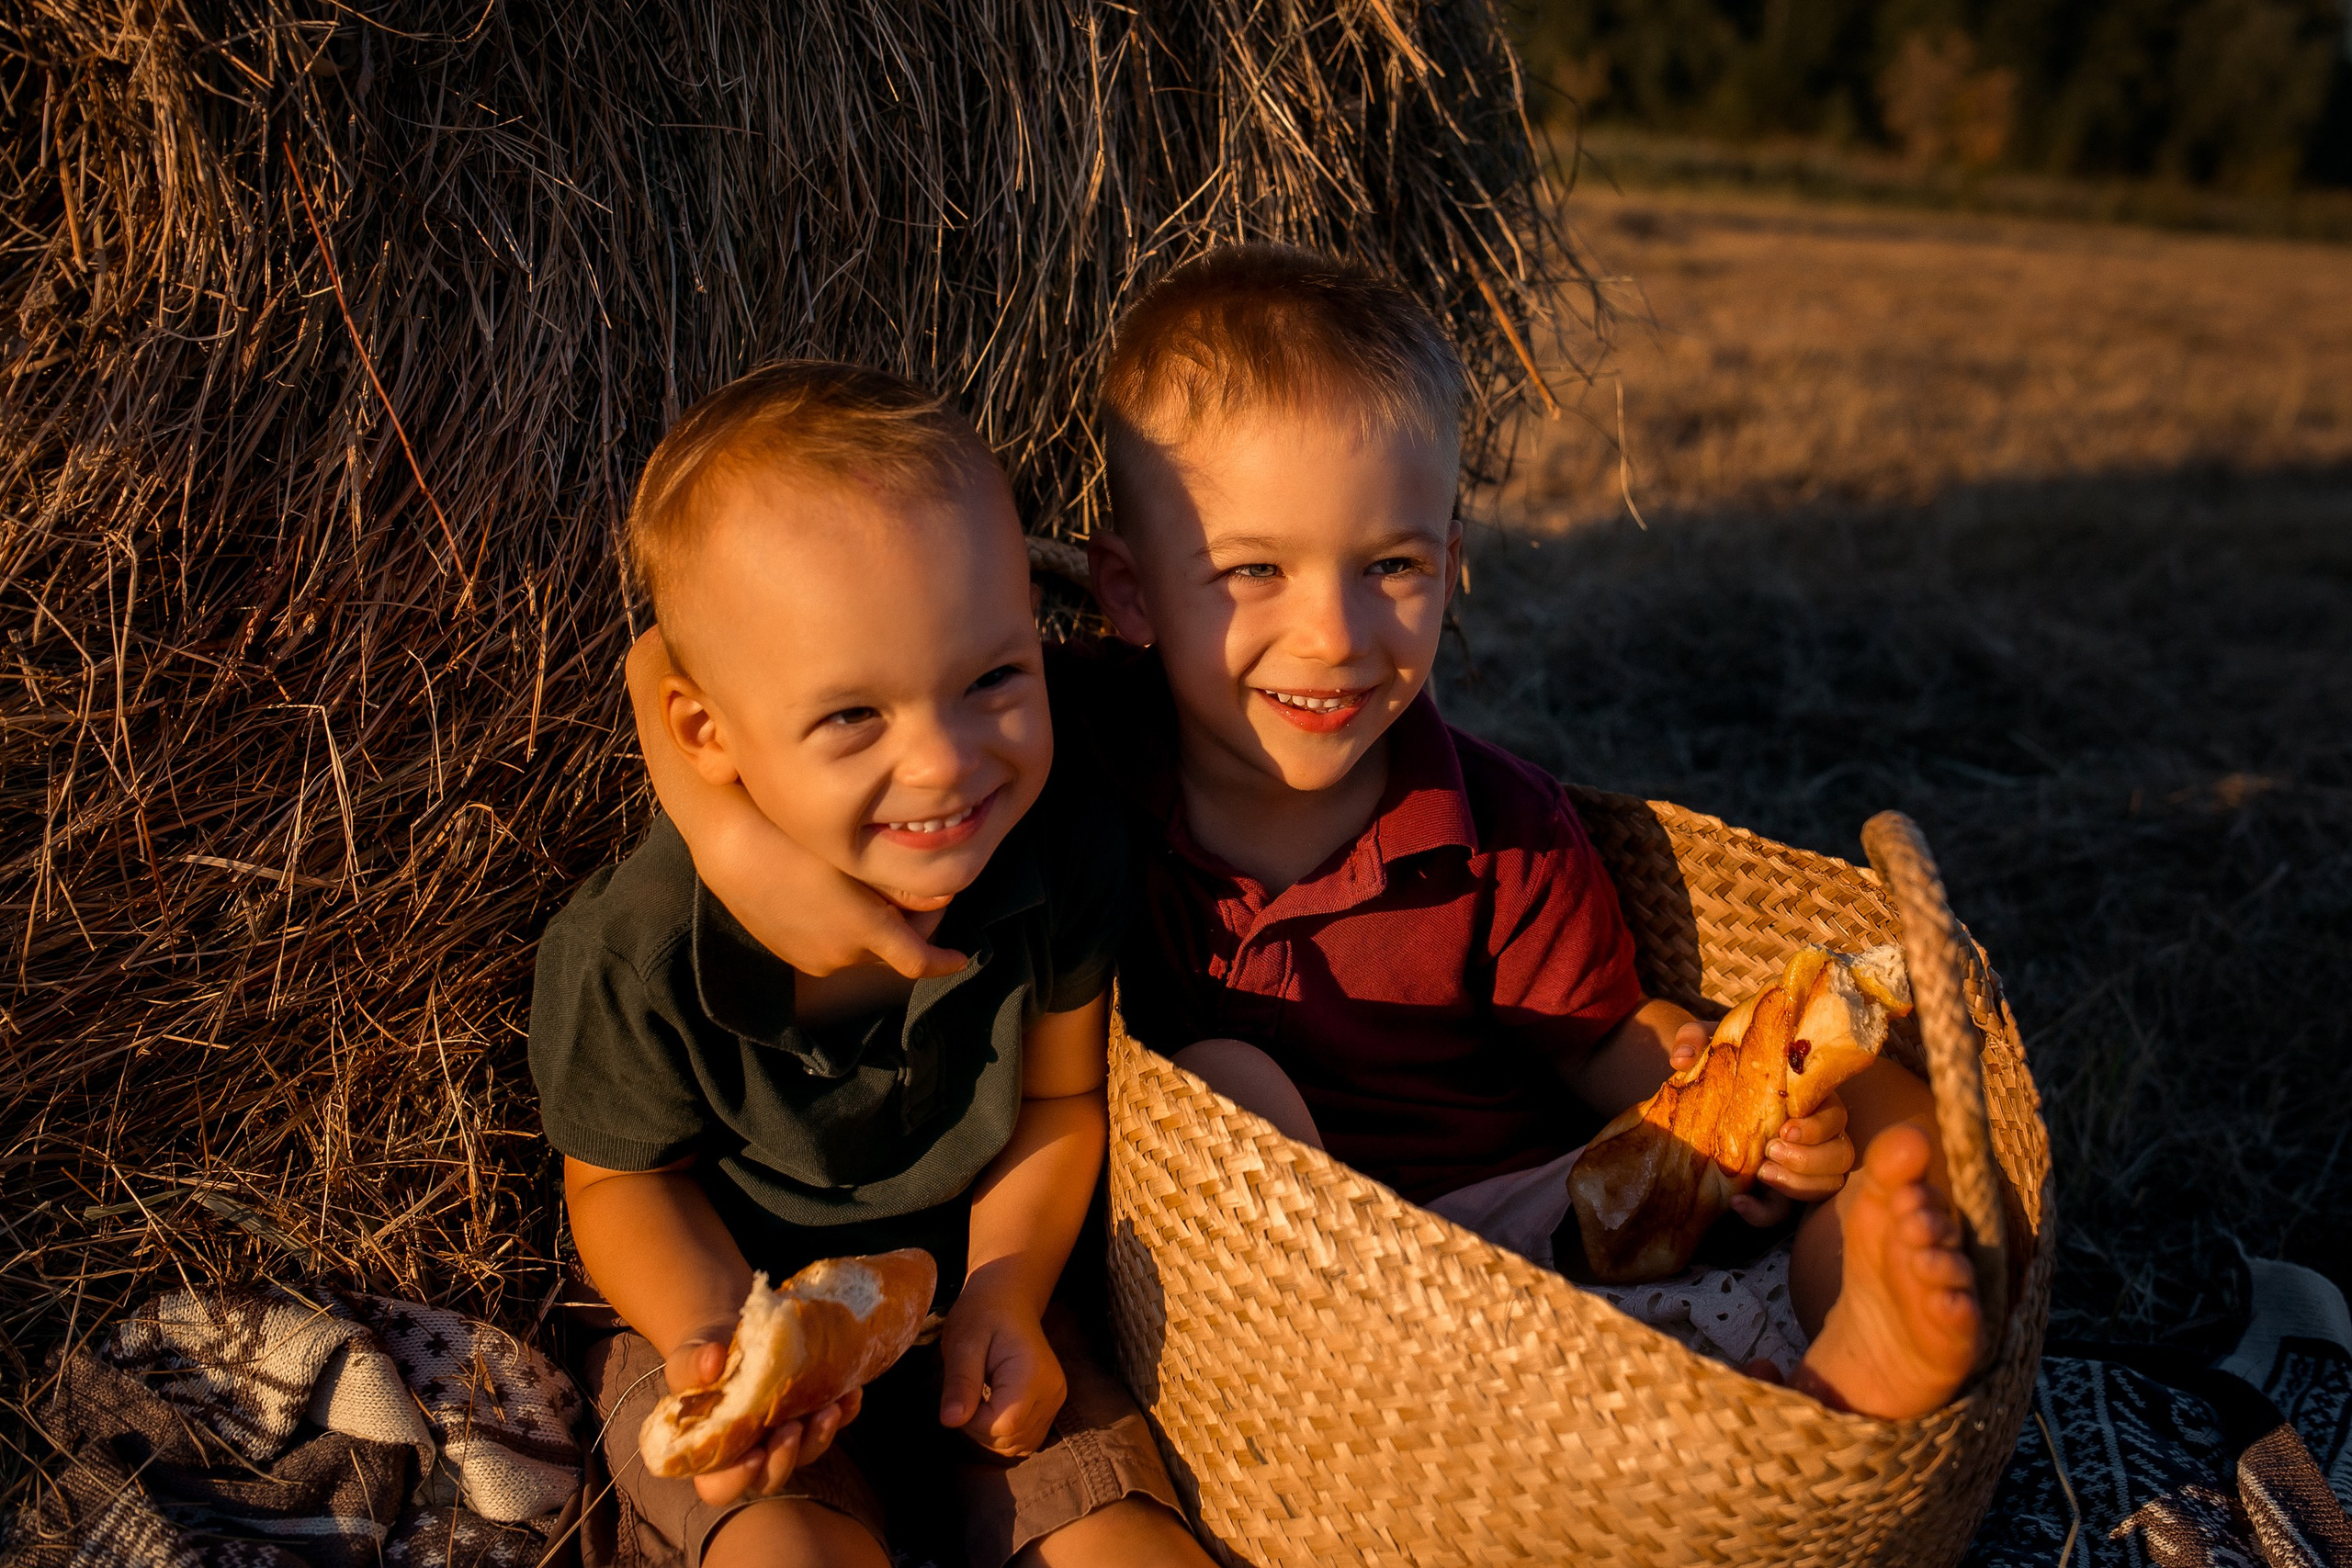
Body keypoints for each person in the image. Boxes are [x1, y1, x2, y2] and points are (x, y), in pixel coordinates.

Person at [626, 254, 1983, 1424]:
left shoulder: (1500, 833)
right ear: (1130, 594)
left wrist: (1721, 1094)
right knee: (1231, 1073)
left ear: (1453, 567)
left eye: (1390, 566)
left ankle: (1856, 1335)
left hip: (1507, 1225)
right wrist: (733, 847)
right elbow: (688, 667)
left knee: (1843, 1138)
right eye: (1252, 572)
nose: (1334, 634)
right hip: (1282, 1290)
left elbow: (1601, 1047)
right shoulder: (1061, 736)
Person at [526, 363, 1209, 1568]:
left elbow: (1057, 1099)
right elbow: (623, 1185)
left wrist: (1006, 1293)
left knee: (1129, 1548)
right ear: (706, 734)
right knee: (787, 1551)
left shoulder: (1064, 853)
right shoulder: (637, 943)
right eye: (853, 718)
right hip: (718, 1307)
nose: (946, 763)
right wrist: (715, 1343)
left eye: (995, 678)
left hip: (985, 1295)